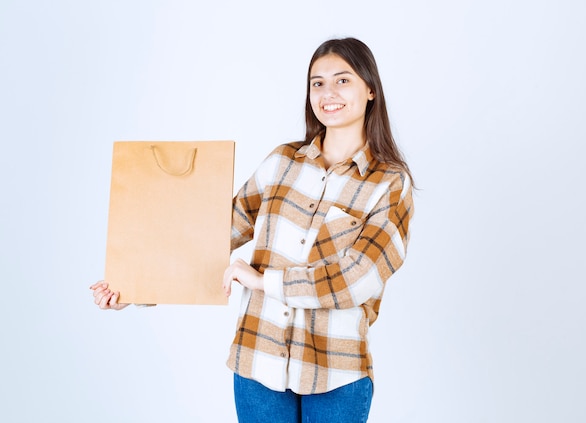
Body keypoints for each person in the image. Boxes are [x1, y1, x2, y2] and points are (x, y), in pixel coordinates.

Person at [92, 37, 414, 423]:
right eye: (317, 82)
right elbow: (211, 235)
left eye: (342, 80)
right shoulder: (282, 162)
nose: (328, 93)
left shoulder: (390, 183)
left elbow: (356, 280)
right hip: (257, 365)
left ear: (370, 89)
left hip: (337, 373)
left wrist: (264, 282)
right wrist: (136, 286)